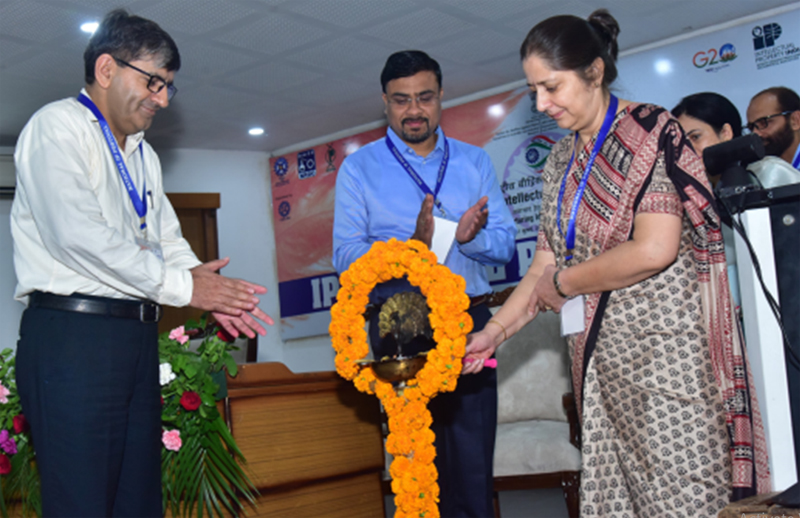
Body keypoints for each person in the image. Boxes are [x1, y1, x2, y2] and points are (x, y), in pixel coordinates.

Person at [463, 10, 770, 518]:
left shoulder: (652, 131)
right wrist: (492, 334)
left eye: (552, 87)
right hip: (598, 368)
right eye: (534, 90)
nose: (542, 104)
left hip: (667, 361)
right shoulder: (559, 162)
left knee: (685, 502)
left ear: (595, 72)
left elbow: (655, 248)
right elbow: (543, 263)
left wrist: (565, 281)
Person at [11, 10, 272, 517]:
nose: (163, 99)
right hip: (72, 336)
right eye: (154, 82)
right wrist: (183, 288)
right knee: (82, 504)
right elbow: (78, 238)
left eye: (169, 87)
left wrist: (208, 286)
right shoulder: (56, 126)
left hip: (133, 340)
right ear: (106, 69)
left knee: (138, 504)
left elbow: (165, 241)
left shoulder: (142, 154)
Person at [332, 50, 516, 517]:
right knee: (416, 461)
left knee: (473, 463)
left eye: (424, 97)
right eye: (401, 100)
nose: (413, 110)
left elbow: (505, 245)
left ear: (440, 98)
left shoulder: (474, 162)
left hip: (469, 319)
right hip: (400, 324)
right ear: (385, 103)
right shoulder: (359, 169)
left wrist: (470, 239)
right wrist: (408, 248)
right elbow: (345, 257)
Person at [671, 92, 741, 182]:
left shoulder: (760, 176)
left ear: (725, 133)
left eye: (695, 137)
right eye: (680, 143)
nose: (687, 150)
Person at [746, 86, 800, 169]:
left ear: (795, 121)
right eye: (751, 127)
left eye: (764, 123)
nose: (756, 133)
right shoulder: (758, 172)